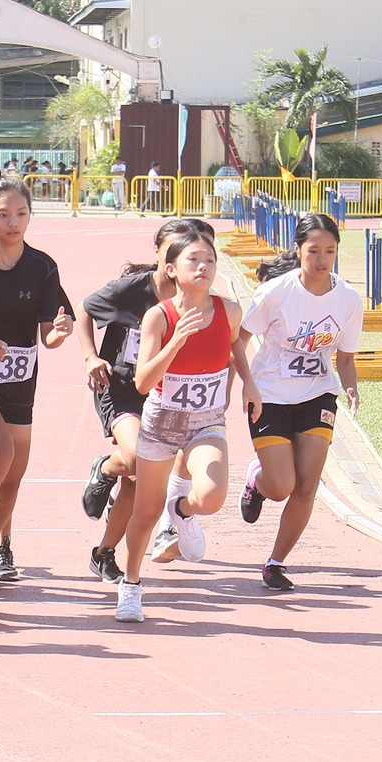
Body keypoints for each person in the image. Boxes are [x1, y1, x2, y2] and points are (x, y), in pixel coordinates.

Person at [115, 230, 251, 623]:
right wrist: (175, 342)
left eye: (209, 259)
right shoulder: (159, 316)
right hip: (161, 421)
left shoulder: (229, 310)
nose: (204, 266)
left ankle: (182, 510)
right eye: (194, 260)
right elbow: (141, 382)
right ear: (172, 269)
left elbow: (234, 346)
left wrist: (248, 384)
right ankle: (132, 584)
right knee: (144, 515)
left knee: (211, 496)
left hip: (205, 421)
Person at [76, 219, 212, 586]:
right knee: (135, 459)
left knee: (137, 483)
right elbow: (85, 309)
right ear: (163, 257)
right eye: (184, 253)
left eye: (205, 256)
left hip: (165, 397)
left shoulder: (203, 302)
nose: (198, 264)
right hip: (120, 388)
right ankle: (107, 468)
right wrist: (91, 357)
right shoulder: (132, 291)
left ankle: (103, 552)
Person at [0, 178, 73, 586]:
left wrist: (61, 329)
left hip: (20, 380)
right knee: (0, 453)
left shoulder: (43, 267)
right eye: (3, 214)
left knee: (13, 476)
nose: (13, 222)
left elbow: (49, 337)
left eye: (21, 214)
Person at [236, 213, 361, 591]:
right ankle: (257, 482)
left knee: (307, 485)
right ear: (298, 250)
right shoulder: (276, 293)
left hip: (317, 394)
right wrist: (246, 384)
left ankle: (275, 563)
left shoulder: (348, 299)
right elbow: (238, 342)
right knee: (281, 486)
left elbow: (345, 357)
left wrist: (351, 386)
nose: (322, 260)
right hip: (270, 393)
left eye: (330, 251)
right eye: (313, 251)